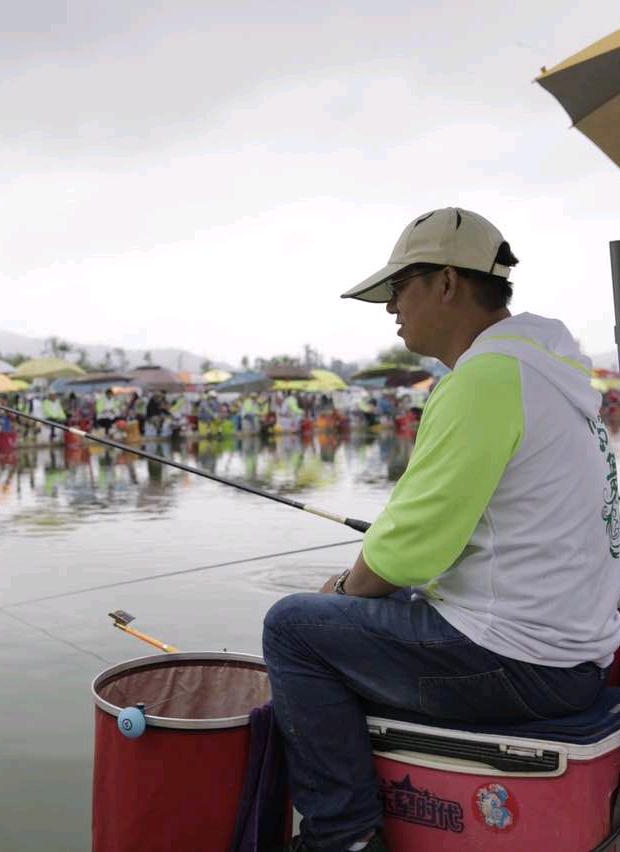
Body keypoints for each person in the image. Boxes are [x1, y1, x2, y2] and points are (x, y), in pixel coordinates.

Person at [262, 207, 620, 852]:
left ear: (448, 282)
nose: (391, 308)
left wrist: (343, 589)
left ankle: (341, 835)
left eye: (399, 289)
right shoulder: (553, 375)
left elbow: (408, 551)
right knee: (353, 611)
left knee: (295, 628)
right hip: (577, 656)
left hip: (518, 661)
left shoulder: (484, 379)